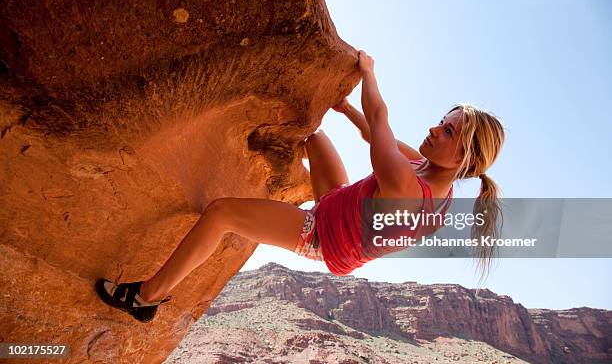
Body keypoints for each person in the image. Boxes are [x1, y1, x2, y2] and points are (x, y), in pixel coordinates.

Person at [95, 50, 505, 322]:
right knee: (312, 135)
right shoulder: (428, 171)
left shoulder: (408, 189)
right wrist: (342, 107)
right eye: (442, 120)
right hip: (339, 204)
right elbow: (370, 135)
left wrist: (369, 72)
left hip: (322, 235)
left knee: (220, 212)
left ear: (465, 159)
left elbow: (379, 119)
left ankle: (146, 299)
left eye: (448, 131)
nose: (435, 128)